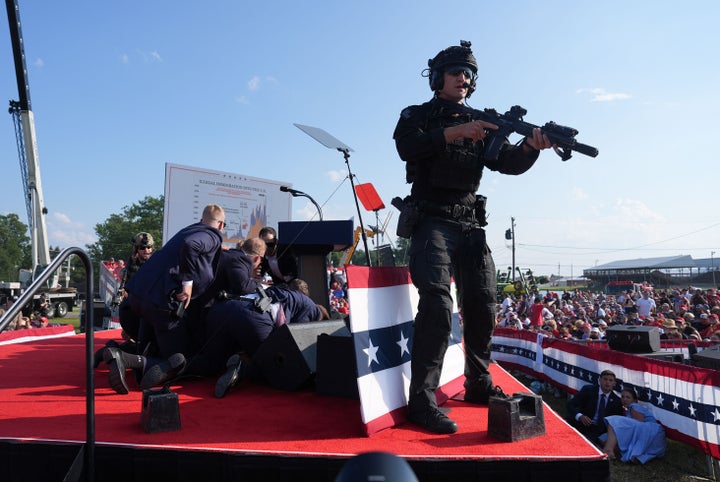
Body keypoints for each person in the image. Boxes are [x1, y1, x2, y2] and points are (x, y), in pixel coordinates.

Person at [392, 41, 552, 434]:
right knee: (438, 307)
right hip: (432, 220)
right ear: (437, 77)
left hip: (470, 225)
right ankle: (422, 402)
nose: (463, 79)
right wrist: (454, 132)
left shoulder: (482, 121)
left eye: (468, 74)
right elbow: (406, 147)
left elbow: (506, 164)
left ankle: (479, 384)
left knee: (483, 303)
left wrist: (531, 147)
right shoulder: (418, 115)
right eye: (456, 72)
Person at [106, 204, 226, 394]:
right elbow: (192, 245)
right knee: (178, 360)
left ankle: (117, 353)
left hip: (140, 297)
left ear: (202, 219)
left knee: (150, 347)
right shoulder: (212, 235)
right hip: (161, 302)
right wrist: (188, 281)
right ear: (220, 225)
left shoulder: (188, 230)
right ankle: (127, 359)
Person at [204, 283, 329, 398]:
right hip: (254, 315)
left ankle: (186, 366)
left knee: (212, 361)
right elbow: (294, 338)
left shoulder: (291, 297)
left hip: (224, 307)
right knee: (269, 365)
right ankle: (242, 368)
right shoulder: (315, 310)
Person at [601, 387, 666, 463]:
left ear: (634, 400)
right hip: (648, 432)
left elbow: (639, 423)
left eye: (628, 397)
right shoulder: (628, 410)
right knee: (603, 438)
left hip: (650, 431)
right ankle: (622, 452)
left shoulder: (634, 406)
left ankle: (608, 450)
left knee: (614, 421)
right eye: (622, 397)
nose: (624, 399)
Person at [565, 369, 624, 443]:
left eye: (610, 380)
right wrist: (580, 416)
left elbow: (617, 421)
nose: (607, 382)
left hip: (597, 430)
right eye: (605, 379)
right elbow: (570, 404)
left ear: (614, 383)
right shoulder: (588, 390)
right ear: (599, 380)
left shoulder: (617, 401)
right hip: (580, 422)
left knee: (586, 443)